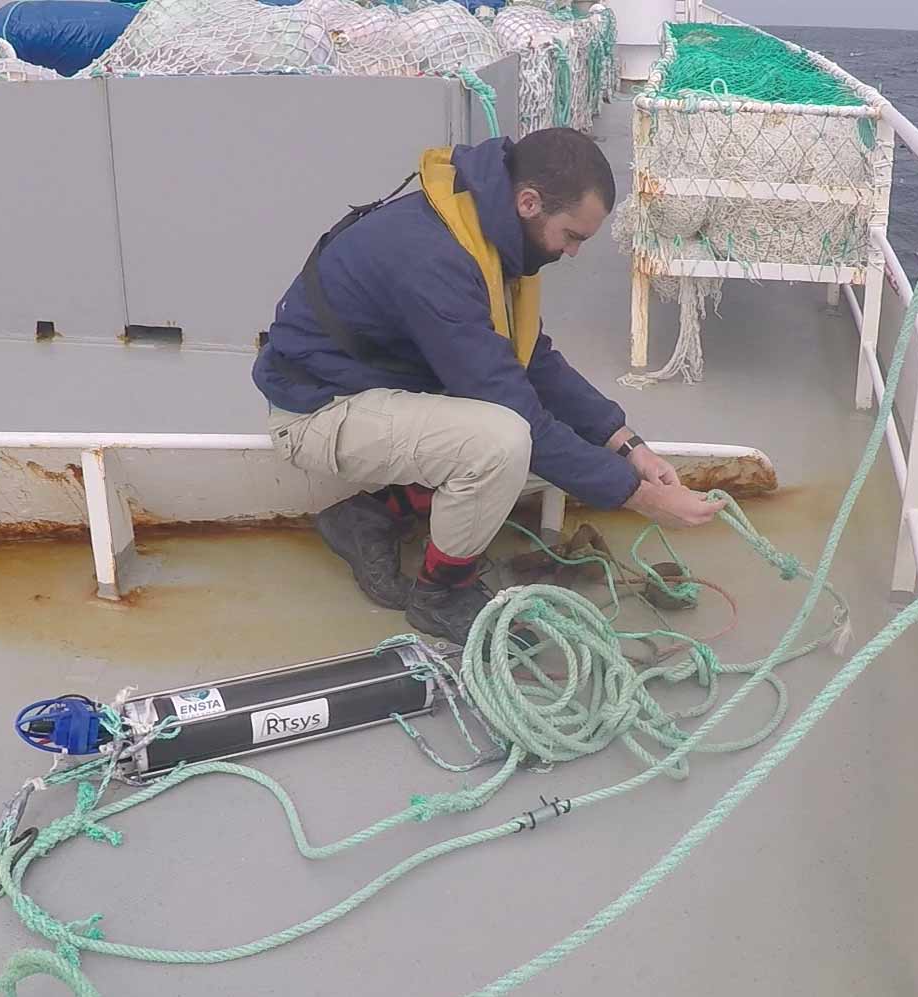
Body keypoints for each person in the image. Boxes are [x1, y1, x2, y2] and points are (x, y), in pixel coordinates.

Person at [253, 127, 719, 645]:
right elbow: (517, 412)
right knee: (504, 441)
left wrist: (627, 446)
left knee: (564, 446)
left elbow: (531, 359)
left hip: (377, 388)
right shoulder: (436, 261)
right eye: (572, 236)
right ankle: (442, 594)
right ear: (528, 202)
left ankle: (370, 516)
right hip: (317, 411)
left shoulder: (487, 232)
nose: (573, 254)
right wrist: (642, 499)